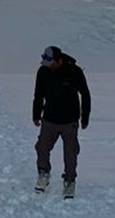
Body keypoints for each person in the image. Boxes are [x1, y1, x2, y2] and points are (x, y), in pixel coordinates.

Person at [31, 45, 90, 198]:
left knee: (70, 154)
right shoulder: (43, 71)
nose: (48, 66)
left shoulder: (74, 72)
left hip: (69, 122)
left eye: (50, 63)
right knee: (42, 148)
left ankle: (69, 181)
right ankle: (43, 174)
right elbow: (38, 94)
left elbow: (85, 94)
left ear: (59, 61)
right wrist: (36, 115)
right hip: (49, 119)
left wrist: (85, 118)